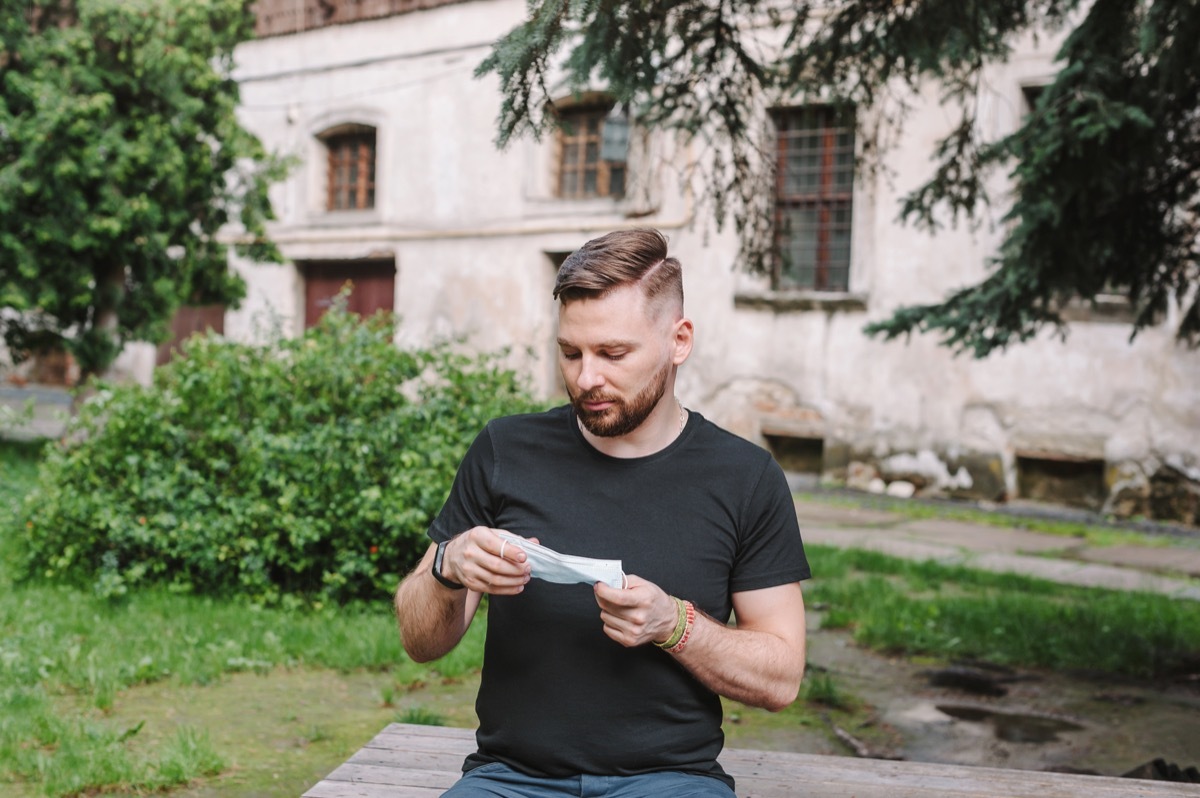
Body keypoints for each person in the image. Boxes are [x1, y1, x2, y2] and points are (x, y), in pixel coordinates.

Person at [393, 228, 810, 797]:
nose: (587, 378)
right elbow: (420, 642)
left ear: (678, 340)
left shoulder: (745, 477)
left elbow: (782, 677)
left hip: (670, 781)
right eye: (571, 353)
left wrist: (674, 625)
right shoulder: (504, 450)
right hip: (511, 779)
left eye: (613, 354)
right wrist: (447, 566)